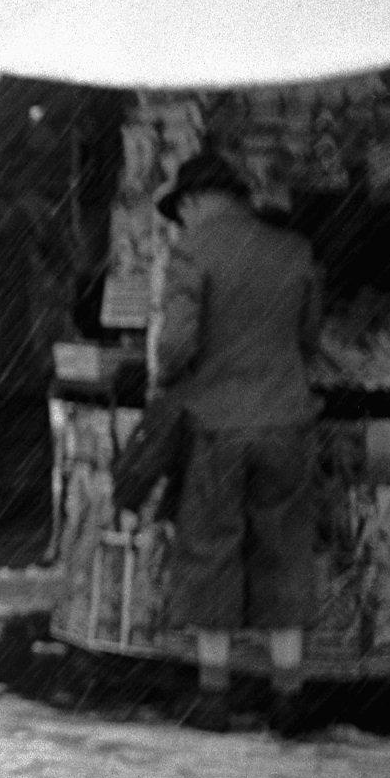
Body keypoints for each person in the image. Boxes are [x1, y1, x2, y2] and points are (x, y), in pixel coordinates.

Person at [153, 149, 323, 736]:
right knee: (285, 549)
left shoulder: (192, 251)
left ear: (195, 202)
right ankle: (288, 696)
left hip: (216, 425)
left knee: (211, 548)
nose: (182, 222)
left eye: (182, 211)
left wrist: (167, 376)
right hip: (287, 421)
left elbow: (176, 345)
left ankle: (214, 697)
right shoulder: (293, 249)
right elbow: (308, 337)